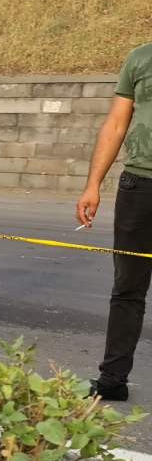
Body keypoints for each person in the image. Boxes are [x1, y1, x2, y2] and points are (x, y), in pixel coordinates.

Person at [74, 40, 152, 401]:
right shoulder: (140, 57)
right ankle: (113, 379)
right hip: (139, 185)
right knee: (127, 288)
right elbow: (117, 125)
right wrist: (93, 184)